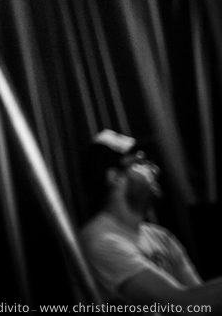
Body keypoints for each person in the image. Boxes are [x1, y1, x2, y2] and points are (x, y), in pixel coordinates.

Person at [79, 129, 222, 306]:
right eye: (141, 162)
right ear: (115, 177)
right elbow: (184, 304)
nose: (155, 169)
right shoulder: (101, 240)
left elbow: (203, 307)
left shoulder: (162, 237)